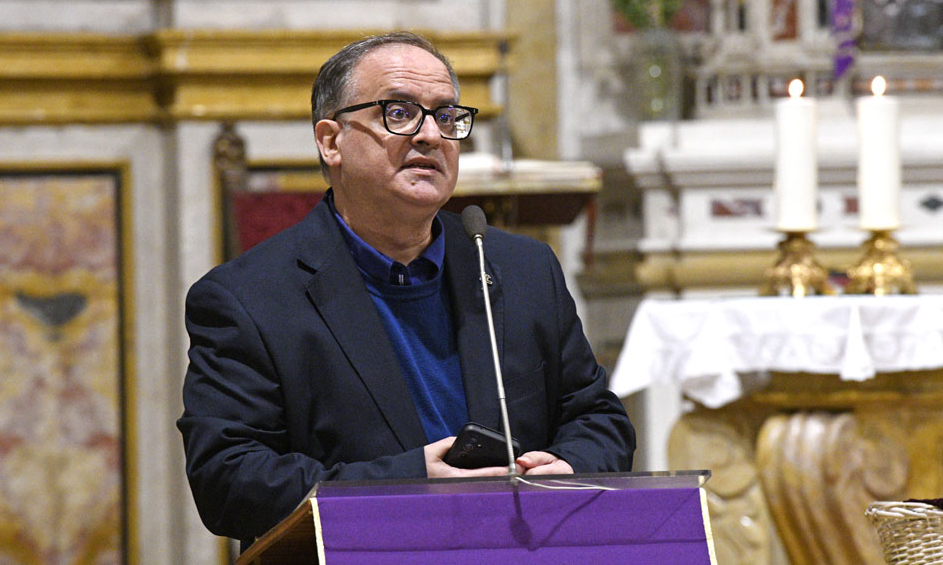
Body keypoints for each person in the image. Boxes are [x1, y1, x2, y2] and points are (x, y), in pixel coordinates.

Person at [177, 32, 636, 544]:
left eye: (445, 116)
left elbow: (596, 416)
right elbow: (228, 479)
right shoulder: (248, 299)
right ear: (331, 142)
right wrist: (405, 484)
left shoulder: (521, 268)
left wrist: (569, 467)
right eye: (398, 112)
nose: (430, 136)